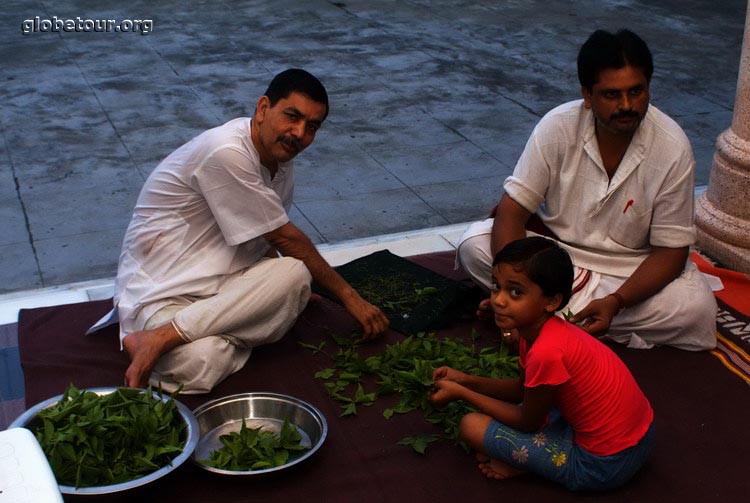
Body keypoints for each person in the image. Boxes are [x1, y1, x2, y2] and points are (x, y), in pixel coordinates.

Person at [99, 69, 389, 394]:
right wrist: (349, 298)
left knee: (293, 275)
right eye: (292, 117)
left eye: (312, 127)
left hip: (224, 288)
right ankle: (161, 337)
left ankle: (201, 332)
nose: (299, 133)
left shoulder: (280, 159)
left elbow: (264, 237)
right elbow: (282, 235)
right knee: (200, 363)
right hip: (164, 296)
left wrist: (282, 290)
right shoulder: (226, 151)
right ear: (263, 108)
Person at [457, 29, 716, 351]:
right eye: (611, 95)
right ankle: (557, 321)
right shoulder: (558, 126)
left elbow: (671, 253)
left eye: (636, 92)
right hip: (552, 260)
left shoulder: (672, 147)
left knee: (695, 309)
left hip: (627, 271)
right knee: (474, 244)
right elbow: (512, 211)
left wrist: (616, 301)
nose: (626, 105)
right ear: (587, 96)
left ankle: (537, 320)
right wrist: (512, 288)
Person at [431, 237, 654, 491]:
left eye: (515, 292)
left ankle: (524, 464)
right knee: (531, 405)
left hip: (604, 465)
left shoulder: (545, 352)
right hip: (640, 436)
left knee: (470, 425)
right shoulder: (541, 332)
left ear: (551, 301)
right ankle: (528, 455)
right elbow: (522, 389)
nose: (499, 300)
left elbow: (528, 422)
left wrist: (462, 393)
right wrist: (465, 379)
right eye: (496, 287)